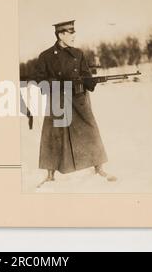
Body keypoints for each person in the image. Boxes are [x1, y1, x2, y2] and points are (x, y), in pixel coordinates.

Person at [34, 20, 117, 187]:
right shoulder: (46, 56)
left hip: (78, 99)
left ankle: (99, 168)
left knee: (90, 130)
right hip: (57, 99)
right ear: (61, 35)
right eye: (70, 33)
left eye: (73, 32)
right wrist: (59, 83)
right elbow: (40, 80)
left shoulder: (79, 54)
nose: (74, 36)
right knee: (53, 134)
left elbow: (86, 74)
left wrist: (90, 82)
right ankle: (50, 175)